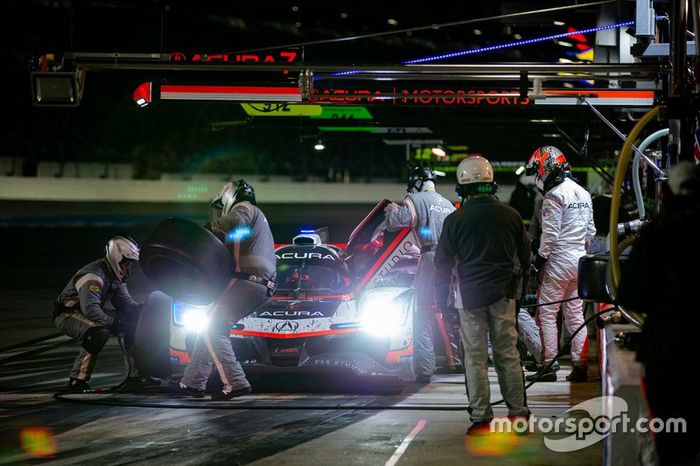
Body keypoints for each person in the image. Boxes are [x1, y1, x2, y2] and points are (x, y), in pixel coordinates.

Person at [434, 155, 530, 435]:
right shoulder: (511, 215)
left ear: (462, 188)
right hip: (505, 295)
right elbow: (525, 257)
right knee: (508, 355)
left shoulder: (455, 220)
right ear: (492, 183)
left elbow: (442, 264)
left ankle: (481, 418)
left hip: (469, 297)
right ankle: (518, 415)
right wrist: (521, 293)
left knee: (475, 359)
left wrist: (442, 301)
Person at [617, 161, 700, 465]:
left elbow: (630, 296)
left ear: (666, 193)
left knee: (671, 441)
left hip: (666, 353)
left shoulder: (657, 235)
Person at [177, 180, 276, 400]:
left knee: (213, 328)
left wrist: (205, 228)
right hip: (256, 283)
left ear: (230, 197)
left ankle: (236, 382)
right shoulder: (255, 217)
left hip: (248, 281)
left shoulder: (244, 209)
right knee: (211, 328)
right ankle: (192, 383)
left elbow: (233, 221)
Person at [524, 146, 595, 383]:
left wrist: (539, 263)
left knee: (546, 314)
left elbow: (550, 236)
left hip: (557, 262)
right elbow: (590, 233)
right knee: (575, 315)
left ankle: (549, 365)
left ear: (547, 167)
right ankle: (580, 365)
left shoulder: (553, 197)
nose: (538, 176)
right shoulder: (584, 193)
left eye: (538, 170)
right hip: (579, 261)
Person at [54, 235, 158, 392]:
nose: (129, 267)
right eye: (128, 263)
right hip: (67, 314)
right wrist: (113, 322)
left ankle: (135, 377)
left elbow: (125, 303)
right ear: (118, 258)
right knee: (97, 333)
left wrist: (142, 311)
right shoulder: (94, 276)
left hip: (86, 311)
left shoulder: (115, 274)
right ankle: (77, 379)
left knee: (133, 324)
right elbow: (90, 309)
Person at [384, 166, 455, 383]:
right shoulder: (448, 204)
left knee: (423, 313)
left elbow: (394, 223)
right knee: (452, 312)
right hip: (453, 263)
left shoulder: (415, 199)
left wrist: (391, 210)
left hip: (430, 259)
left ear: (417, 183)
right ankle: (459, 361)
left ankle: (425, 370)